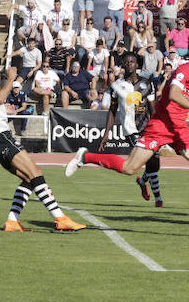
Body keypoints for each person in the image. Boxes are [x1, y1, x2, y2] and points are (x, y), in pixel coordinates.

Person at [65, 35, 189, 229]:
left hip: (179, 128)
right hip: (161, 126)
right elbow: (173, 94)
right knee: (129, 168)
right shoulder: (185, 70)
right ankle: (85, 157)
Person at [0, 37, 85, 232]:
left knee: (30, 178)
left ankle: (12, 221)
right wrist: (11, 79)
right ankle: (60, 218)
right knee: (36, 174)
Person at [68, 51, 166, 206]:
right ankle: (158, 198)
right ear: (123, 65)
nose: (129, 64)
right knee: (146, 159)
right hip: (130, 129)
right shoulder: (116, 86)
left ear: (137, 64)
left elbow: (152, 109)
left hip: (148, 128)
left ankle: (142, 181)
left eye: (132, 61)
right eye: (126, 62)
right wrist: (106, 133)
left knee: (154, 162)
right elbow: (112, 111)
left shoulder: (147, 84)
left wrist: (158, 128)